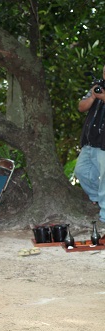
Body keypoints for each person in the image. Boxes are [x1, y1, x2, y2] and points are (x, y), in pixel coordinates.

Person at [75, 65, 105, 222]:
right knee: (81, 171)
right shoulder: (98, 86)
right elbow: (81, 106)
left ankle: (104, 217)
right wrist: (94, 96)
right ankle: (98, 200)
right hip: (90, 141)